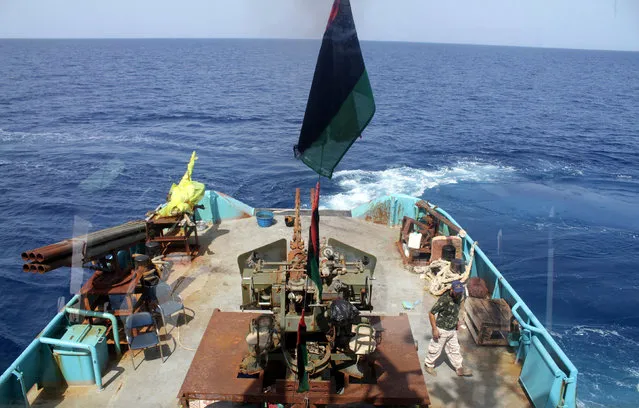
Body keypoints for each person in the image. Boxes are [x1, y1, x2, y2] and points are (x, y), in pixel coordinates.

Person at [424, 280, 473, 377]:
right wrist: (434, 329)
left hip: (452, 330)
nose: (459, 293)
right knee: (435, 348)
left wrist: (458, 321)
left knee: (455, 349)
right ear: (451, 289)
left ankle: (459, 368)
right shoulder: (444, 300)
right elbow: (431, 313)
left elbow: (457, 309)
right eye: (457, 291)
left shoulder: (459, 296)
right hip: (441, 329)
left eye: (460, 291)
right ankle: (428, 364)